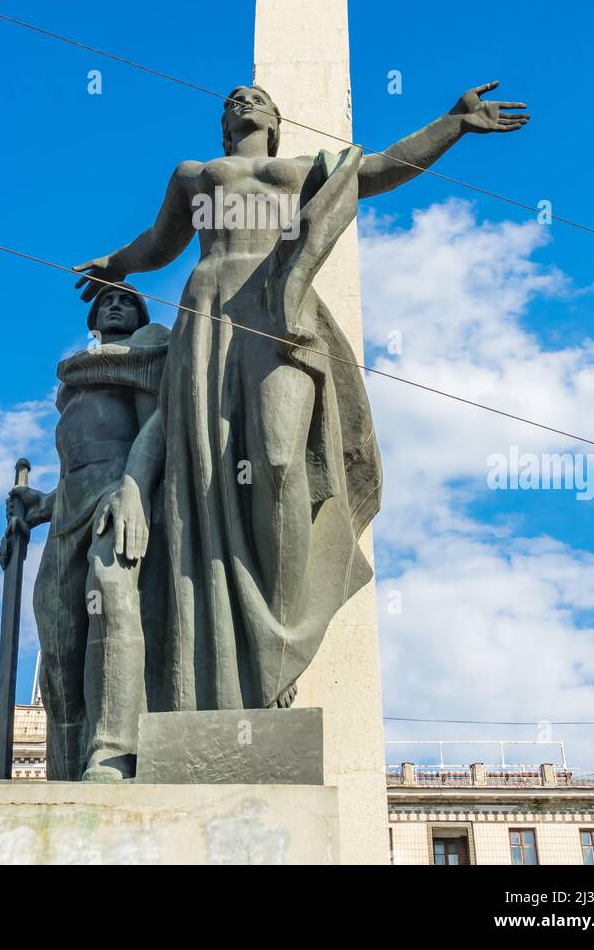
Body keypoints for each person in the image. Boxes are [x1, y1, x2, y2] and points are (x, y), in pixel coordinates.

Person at [74, 81, 530, 713]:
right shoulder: (196, 175)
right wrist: (117, 263)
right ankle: (236, 657)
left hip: (280, 313)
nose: (242, 98)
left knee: (283, 459)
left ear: (276, 120)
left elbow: (377, 171)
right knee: (206, 474)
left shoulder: (298, 172)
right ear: (224, 124)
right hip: (208, 314)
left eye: (255, 96)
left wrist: (451, 125)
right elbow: (159, 244)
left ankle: (278, 642)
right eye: (233, 98)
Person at [7, 284, 168, 780]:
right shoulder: (72, 389)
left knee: (111, 593)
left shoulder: (149, 346)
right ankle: (65, 764)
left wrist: (133, 491)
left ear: (141, 314)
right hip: (68, 511)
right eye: (105, 301)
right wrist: (41, 505)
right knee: (57, 635)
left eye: (126, 300)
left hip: (117, 496)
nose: (114, 305)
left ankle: (113, 751)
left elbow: (154, 428)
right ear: (93, 317)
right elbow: (73, 465)